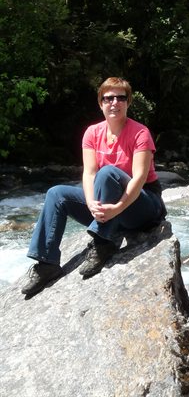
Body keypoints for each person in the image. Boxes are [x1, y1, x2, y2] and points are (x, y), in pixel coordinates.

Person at [22, 77, 166, 298]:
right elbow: (88, 173)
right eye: (109, 98)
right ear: (101, 103)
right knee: (56, 194)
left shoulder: (140, 133)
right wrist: (90, 202)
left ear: (128, 102)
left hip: (144, 205)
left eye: (120, 98)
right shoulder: (92, 133)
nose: (114, 103)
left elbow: (139, 178)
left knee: (107, 173)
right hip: (111, 208)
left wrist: (116, 208)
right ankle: (46, 263)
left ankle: (103, 242)